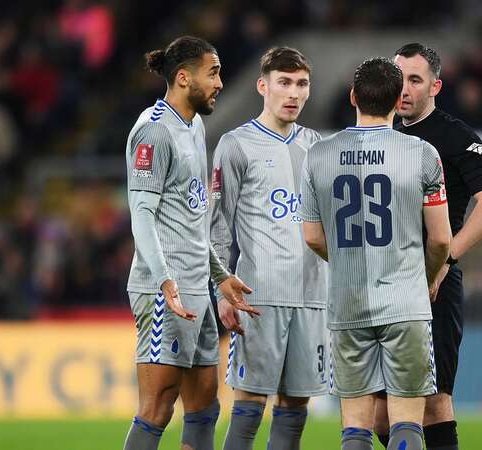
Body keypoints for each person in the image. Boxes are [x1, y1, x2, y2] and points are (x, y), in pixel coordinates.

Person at [299, 57, 452, 450]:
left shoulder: (317, 155)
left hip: (347, 305)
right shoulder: (422, 154)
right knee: (406, 424)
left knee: (355, 427)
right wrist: (428, 276)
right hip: (405, 302)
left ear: (353, 97)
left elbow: (313, 236)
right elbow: (440, 239)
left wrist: (348, 260)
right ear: (397, 97)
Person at [122, 35, 259, 450]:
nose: (220, 82)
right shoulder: (153, 132)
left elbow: (191, 217)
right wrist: (165, 280)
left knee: (204, 406)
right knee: (159, 406)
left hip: (197, 288)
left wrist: (219, 275)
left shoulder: (194, 125)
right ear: (184, 78)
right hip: (167, 291)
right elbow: (142, 215)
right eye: (213, 73)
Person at [373, 43, 482, 450]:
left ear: (436, 86)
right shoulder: (382, 131)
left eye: (415, 80)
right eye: (399, 79)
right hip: (384, 280)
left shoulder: (454, 136)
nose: (404, 89)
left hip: (432, 281)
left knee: (433, 401)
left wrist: (447, 257)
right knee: (379, 414)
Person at [211, 46, 328, 450]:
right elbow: (217, 223)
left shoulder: (318, 146)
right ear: (263, 86)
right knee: (248, 406)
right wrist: (221, 284)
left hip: (313, 296)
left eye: (301, 84)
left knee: (295, 408)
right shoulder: (236, 145)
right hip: (258, 295)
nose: (293, 93)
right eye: (284, 83)